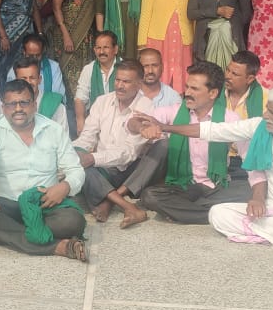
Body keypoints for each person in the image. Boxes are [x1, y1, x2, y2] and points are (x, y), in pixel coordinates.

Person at [150, 84, 273, 261]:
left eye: (272, 112)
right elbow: (214, 130)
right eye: (267, 109)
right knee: (217, 214)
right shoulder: (261, 127)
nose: (265, 115)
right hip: (272, 207)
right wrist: (166, 127)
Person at [0, 80, 89, 262]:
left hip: (43, 204)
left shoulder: (53, 130)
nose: (18, 109)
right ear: (3, 108)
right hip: (6, 204)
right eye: (11, 104)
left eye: (24, 102)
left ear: (34, 104)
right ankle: (57, 246)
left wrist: (65, 187)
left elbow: (75, 169)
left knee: (73, 221)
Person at [123, 62, 255, 224]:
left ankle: (184, 212)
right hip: (182, 186)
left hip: (216, 186)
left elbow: (249, 157)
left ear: (213, 93)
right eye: (187, 87)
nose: (188, 93)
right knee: (150, 196)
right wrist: (142, 128)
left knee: (250, 190)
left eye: (195, 89)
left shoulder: (230, 118)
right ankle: (213, 213)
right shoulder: (174, 110)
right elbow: (133, 121)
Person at [73, 59, 153, 227]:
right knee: (79, 167)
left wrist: (92, 158)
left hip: (130, 170)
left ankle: (114, 202)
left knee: (161, 147)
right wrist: (75, 152)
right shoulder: (102, 101)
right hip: (104, 168)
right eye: (117, 80)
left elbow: (128, 153)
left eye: (126, 82)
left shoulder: (146, 107)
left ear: (139, 84)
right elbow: (87, 136)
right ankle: (124, 205)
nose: (119, 86)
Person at [137, 0, 194, 92]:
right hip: (159, 38)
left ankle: (179, 103)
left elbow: (195, 13)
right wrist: (142, 43)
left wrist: (195, 38)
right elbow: (145, 14)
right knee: (158, 75)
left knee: (183, 75)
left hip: (183, 38)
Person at [50, 0, 100, 96]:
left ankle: (86, 106)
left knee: (87, 73)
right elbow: (56, 7)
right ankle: (72, 106)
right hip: (66, 32)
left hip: (87, 34)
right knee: (69, 73)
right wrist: (66, 35)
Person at [226, 50, 267, 175]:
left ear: (249, 79)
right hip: (216, 159)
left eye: (234, 74)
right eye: (227, 70)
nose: (228, 76)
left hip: (250, 162)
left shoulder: (266, 98)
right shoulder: (214, 94)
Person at [74, 31, 121, 133]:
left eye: (106, 47)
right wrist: (80, 121)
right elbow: (80, 99)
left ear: (115, 49)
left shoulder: (125, 68)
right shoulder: (89, 69)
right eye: (98, 48)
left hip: (120, 122)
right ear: (94, 50)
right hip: (95, 123)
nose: (101, 51)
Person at [11, 57, 69, 135]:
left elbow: (63, 138)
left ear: (39, 79)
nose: (28, 82)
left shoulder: (55, 105)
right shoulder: (8, 105)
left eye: (32, 78)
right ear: (16, 81)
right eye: (24, 79)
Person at [5, 33, 66, 98]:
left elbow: (58, 96)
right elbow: (10, 96)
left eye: (38, 55)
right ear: (24, 52)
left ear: (42, 52)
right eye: (31, 55)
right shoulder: (15, 70)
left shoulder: (53, 67)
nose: (34, 59)